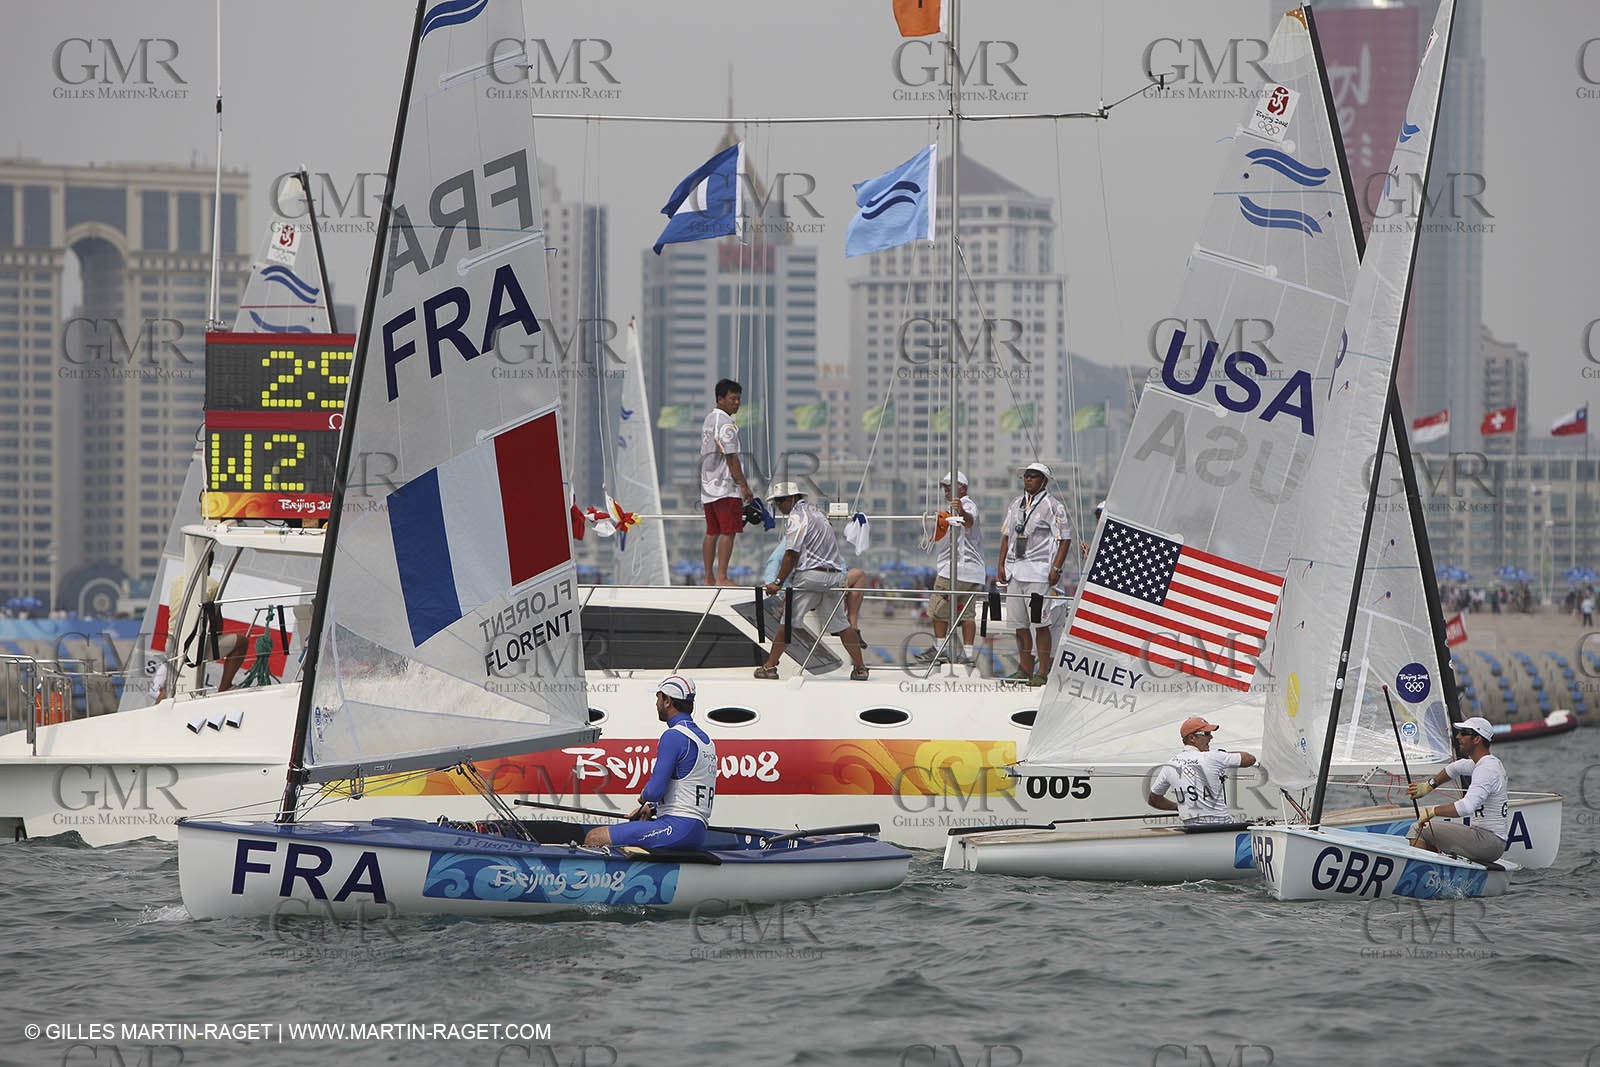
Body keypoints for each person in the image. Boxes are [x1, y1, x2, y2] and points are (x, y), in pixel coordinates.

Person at [584, 675, 717, 851]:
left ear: (668, 701)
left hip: (677, 827)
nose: (656, 703)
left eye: (658, 697)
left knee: (594, 837)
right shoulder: (707, 741)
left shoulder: (673, 736)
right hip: (697, 830)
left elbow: (654, 791)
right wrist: (651, 809)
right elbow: (687, 787)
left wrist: (643, 798)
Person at [756, 482, 870, 681]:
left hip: (811, 577)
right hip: (834, 577)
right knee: (842, 625)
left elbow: (791, 554)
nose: (779, 505)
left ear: (794, 498)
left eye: (781, 500)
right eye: (776, 502)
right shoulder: (818, 514)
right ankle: (861, 668)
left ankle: (770, 667)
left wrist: (777, 583)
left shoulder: (796, 517)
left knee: (787, 623)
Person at [995, 462, 1071, 686]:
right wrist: (1000, 564)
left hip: (1039, 573)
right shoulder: (1015, 504)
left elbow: (1065, 539)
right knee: (1019, 624)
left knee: (1040, 624)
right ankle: (1024, 668)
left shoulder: (1053, 506)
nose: (1028, 479)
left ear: (1044, 481)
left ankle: (1043, 671)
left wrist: (1056, 568)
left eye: (1034, 476)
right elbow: (1006, 536)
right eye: (1026, 476)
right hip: (1015, 572)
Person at [1405, 716, 1509, 866]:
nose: (1458, 736)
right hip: (1491, 842)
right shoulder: (1486, 764)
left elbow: (1466, 807)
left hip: (1487, 842)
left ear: (1477, 739)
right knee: (1429, 834)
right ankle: (1438, 870)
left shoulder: (1486, 770)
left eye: (1464, 733)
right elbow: (1455, 768)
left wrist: (1433, 811)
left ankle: (1425, 874)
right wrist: (1429, 785)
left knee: (1417, 829)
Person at [917, 470, 985, 665]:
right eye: (945, 487)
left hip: (955, 569)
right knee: (968, 614)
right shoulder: (958, 507)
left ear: (962, 488)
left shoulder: (967, 505)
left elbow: (969, 520)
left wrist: (960, 511)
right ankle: (968, 655)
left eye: (950, 487)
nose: (946, 490)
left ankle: (940, 649)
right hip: (973, 572)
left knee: (938, 609)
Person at [1147, 716, 1259, 825]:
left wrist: (1178, 806)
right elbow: (1250, 759)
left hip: (1192, 829)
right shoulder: (1213, 757)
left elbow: (1153, 799)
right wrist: (1222, 755)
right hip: (1222, 825)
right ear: (1192, 738)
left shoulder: (1170, 764)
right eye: (1207, 733)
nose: (1211, 737)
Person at [700, 378, 754, 586]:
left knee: (711, 532)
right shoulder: (725, 424)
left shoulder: (709, 419)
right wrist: (743, 485)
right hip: (725, 486)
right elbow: (731, 457)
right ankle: (722, 577)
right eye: (732, 398)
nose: (737, 403)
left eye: (739, 399)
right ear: (720, 399)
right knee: (728, 532)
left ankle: (708, 577)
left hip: (708, 487)